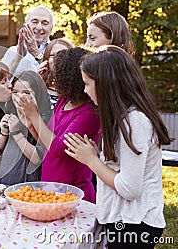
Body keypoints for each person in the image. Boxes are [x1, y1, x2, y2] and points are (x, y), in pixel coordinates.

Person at [64, 45, 172, 249]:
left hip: (135, 225)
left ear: (106, 84)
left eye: (87, 84)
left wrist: (92, 161)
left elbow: (129, 188)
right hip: (124, 220)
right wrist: (99, 157)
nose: (85, 91)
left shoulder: (135, 122)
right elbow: (122, 168)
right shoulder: (122, 118)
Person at [18, 47, 100, 203]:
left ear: (71, 77)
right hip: (50, 187)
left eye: (58, 76)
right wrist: (30, 125)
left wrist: (35, 115)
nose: (54, 80)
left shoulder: (90, 112)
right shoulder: (64, 101)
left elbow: (58, 148)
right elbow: (48, 142)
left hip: (73, 193)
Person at [0, 71, 52, 185]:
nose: (20, 97)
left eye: (26, 92)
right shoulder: (10, 113)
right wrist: (4, 133)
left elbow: (37, 159)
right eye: (15, 92)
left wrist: (16, 133)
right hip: (5, 179)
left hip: (28, 185)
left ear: (37, 94)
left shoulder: (46, 119)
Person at [1, 5, 54, 76]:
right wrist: (18, 57)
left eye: (45, 23)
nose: (39, 27)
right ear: (25, 26)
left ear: (51, 28)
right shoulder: (12, 51)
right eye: (35, 22)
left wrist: (36, 53)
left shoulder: (56, 51)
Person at [37, 38, 74, 109]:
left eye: (63, 54)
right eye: (52, 55)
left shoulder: (78, 90)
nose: (57, 58)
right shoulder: (39, 88)